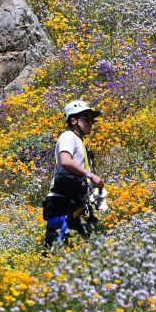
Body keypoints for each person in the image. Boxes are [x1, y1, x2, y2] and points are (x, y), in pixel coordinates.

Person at [42, 100, 104, 248]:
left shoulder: (79, 141)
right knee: (57, 250)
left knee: (97, 245)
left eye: (92, 120)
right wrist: (90, 175)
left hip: (77, 204)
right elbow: (65, 161)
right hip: (62, 203)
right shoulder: (68, 136)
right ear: (73, 120)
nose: (90, 123)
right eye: (86, 119)